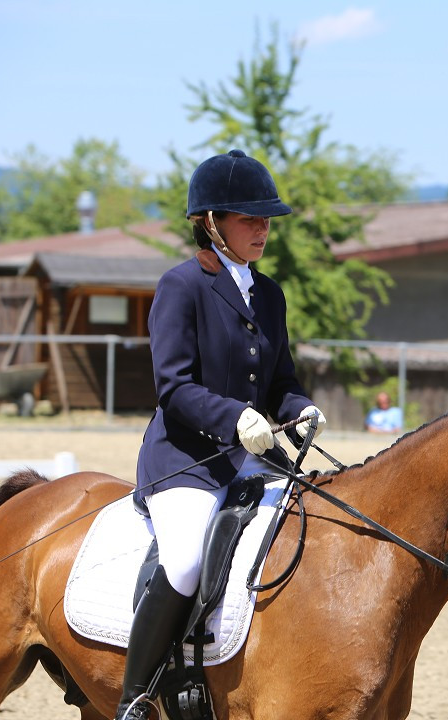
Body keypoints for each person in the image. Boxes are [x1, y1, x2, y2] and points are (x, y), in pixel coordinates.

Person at [116, 150, 327, 720]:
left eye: (266, 220)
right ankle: (135, 697)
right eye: (249, 219)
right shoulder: (181, 286)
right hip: (186, 461)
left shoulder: (270, 293)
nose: (263, 229)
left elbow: (279, 380)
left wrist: (301, 408)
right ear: (211, 223)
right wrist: (235, 416)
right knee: (185, 560)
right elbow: (174, 387)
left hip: (254, 459)